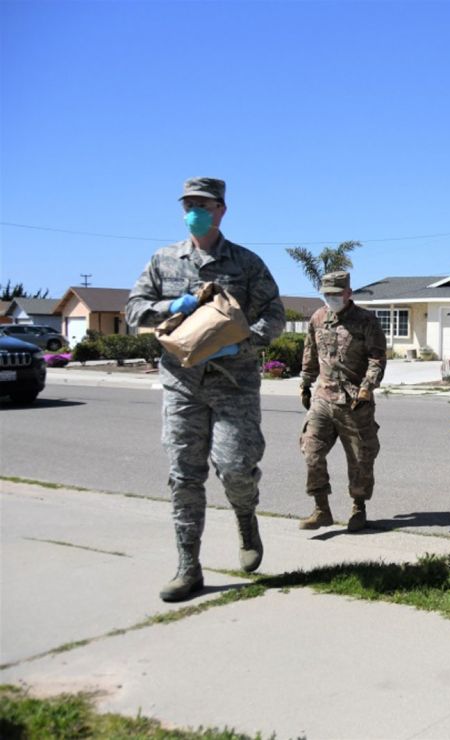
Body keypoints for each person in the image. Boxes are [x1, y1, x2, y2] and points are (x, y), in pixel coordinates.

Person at [126, 177, 285, 602]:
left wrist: (245, 341)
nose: (194, 210)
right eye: (189, 203)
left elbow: (275, 314)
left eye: (203, 203)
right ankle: (188, 567)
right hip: (182, 383)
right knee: (184, 475)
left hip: (234, 382)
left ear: (221, 210)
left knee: (235, 466)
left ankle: (246, 518)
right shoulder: (163, 260)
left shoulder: (246, 263)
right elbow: (133, 311)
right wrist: (169, 306)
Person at [298, 271, 387, 532]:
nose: (331, 299)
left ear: (348, 293)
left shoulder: (366, 321)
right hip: (323, 399)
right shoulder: (317, 318)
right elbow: (310, 352)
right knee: (311, 451)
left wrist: (366, 388)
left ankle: (358, 508)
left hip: (353, 402)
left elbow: (377, 358)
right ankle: (321, 509)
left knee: (360, 460)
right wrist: (305, 382)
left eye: (336, 294)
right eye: (327, 294)